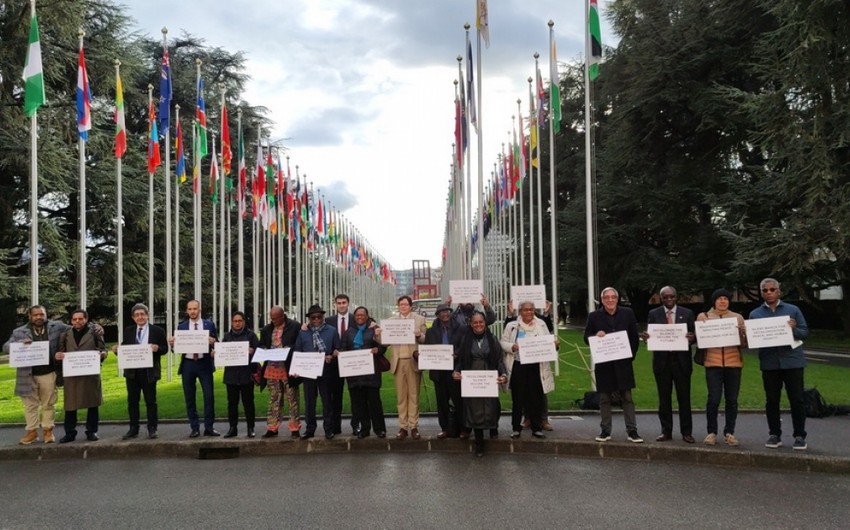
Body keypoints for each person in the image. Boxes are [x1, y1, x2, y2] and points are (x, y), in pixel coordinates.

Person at [749, 278, 810, 451]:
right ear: (761, 293)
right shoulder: (755, 314)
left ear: (779, 291)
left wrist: (794, 329)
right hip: (770, 363)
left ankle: (799, 436)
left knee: (797, 400)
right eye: (765, 290)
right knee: (772, 400)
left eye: (772, 289)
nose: (768, 292)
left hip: (792, 362)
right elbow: (753, 339)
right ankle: (774, 434)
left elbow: (804, 333)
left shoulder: (793, 310)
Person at [3, 306, 71, 445]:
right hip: (27, 374)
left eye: (41, 314)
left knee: (48, 404)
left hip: (48, 372)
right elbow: (5, 347)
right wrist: (18, 344)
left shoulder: (57, 326)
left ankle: (48, 430)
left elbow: (75, 327)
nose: (39, 317)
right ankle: (32, 432)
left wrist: (95, 327)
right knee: (30, 405)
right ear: (30, 316)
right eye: (35, 315)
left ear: (46, 315)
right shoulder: (19, 332)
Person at [583, 287, 643, 443]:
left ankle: (632, 431)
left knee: (627, 397)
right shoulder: (594, 316)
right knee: (604, 398)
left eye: (613, 297)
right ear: (602, 300)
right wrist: (595, 336)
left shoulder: (627, 313)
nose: (610, 300)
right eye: (606, 297)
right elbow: (586, 337)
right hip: (604, 364)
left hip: (623, 363)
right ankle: (605, 431)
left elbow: (634, 338)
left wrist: (630, 357)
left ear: (617, 299)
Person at [641, 286, 696, 443]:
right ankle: (666, 431)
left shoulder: (687, 313)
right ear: (661, 298)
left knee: (684, 399)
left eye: (672, 296)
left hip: (682, 363)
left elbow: (694, 335)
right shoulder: (654, 313)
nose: (669, 299)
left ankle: (686, 432)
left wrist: (692, 337)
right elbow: (650, 335)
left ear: (676, 297)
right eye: (665, 297)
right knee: (664, 399)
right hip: (662, 363)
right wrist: (647, 337)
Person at [452, 312, 508, 457]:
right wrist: (456, 372)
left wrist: (503, 374)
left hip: (488, 376)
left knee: (491, 406)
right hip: (472, 379)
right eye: (475, 322)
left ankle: (492, 428)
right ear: (471, 324)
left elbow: (499, 361)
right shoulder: (466, 340)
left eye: (481, 322)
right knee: (475, 409)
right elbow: (460, 361)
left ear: (485, 323)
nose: (478, 325)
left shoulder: (492, 339)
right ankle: (479, 443)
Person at [698, 288, 747, 446]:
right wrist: (701, 331)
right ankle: (711, 432)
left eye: (726, 298)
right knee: (713, 399)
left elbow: (745, 344)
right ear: (714, 301)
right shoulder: (703, 317)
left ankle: (729, 432)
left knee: (732, 400)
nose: (723, 301)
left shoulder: (738, 318)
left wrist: (743, 333)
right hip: (713, 364)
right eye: (719, 298)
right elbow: (699, 342)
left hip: (733, 364)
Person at [501, 301, 556, 440]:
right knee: (518, 398)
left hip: (536, 365)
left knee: (536, 398)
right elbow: (502, 342)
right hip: (518, 365)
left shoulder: (541, 324)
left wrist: (554, 344)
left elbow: (548, 341)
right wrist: (513, 347)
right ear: (520, 311)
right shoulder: (512, 326)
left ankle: (536, 428)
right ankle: (516, 428)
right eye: (525, 310)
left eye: (531, 310)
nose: (529, 312)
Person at [115, 303, 168, 440]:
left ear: (147, 315)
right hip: (132, 373)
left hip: (149, 372)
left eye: (142, 314)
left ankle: (152, 428)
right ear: (133, 318)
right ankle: (133, 429)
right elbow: (125, 349)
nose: (140, 317)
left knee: (151, 401)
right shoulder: (129, 331)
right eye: (137, 315)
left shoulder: (157, 331)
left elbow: (165, 349)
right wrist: (117, 350)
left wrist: (158, 348)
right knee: (132, 401)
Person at [168, 299, 219, 438]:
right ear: (186, 311)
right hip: (188, 364)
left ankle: (209, 427)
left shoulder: (209, 325)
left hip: (204, 363)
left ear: (199, 309)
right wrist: (172, 344)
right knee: (190, 397)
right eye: (190, 309)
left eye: (195, 309)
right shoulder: (182, 327)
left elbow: (216, 345)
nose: (192, 311)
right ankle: (194, 427)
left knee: (209, 397)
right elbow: (176, 349)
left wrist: (213, 343)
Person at [55, 309, 107, 443]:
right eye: (74, 319)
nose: (77, 321)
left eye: (80, 318)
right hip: (71, 375)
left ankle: (92, 431)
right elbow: (60, 352)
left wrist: (102, 355)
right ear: (71, 321)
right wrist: (58, 356)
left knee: (92, 404)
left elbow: (103, 349)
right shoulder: (65, 334)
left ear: (86, 319)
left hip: (90, 374)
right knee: (70, 405)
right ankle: (70, 433)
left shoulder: (95, 332)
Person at [382, 295, 427, 440]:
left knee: (414, 395)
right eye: (401, 304)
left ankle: (414, 426)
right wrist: (377, 335)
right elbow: (384, 342)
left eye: (405, 304)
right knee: (401, 396)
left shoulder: (419, 320)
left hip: (412, 360)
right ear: (398, 306)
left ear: (410, 306)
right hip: (398, 361)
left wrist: (419, 335)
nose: (403, 307)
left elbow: (426, 339)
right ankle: (403, 426)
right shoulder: (390, 322)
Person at [293, 304, 341, 440]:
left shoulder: (331, 331)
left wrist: (331, 356)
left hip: (326, 371)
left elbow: (337, 348)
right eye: (313, 317)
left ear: (322, 317)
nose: (316, 320)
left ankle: (328, 429)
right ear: (309, 319)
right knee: (309, 402)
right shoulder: (303, 332)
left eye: (318, 317)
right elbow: (298, 351)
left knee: (327, 401)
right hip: (308, 372)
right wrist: (297, 368)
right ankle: (310, 429)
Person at [340, 306, 387, 439]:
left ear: (367, 316)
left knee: (375, 403)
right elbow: (343, 348)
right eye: (357, 315)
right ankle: (365, 429)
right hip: (354, 374)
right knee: (359, 404)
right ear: (354, 317)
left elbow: (383, 345)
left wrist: (378, 350)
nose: (360, 317)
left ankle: (379, 429)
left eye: (362, 315)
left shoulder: (374, 329)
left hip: (371, 373)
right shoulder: (348, 332)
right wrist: (340, 353)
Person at [258, 306, 301, 438]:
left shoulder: (295, 326)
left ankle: (294, 428)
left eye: (276, 318)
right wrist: (264, 350)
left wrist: (288, 349)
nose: (274, 321)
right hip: (272, 369)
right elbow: (261, 345)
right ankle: (272, 428)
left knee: (292, 399)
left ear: (283, 316)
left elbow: (299, 344)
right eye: (272, 318)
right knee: (274, 400)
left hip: (288, 369)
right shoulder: (267, 329)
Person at [423, 303, 464, 439]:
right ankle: (445, 428)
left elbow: (463, 346)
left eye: (447, 311)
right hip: (439, 372)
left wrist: (456, 354)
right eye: (441, 312)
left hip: (455, 370)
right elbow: (428, 349)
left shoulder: (460, 329)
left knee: (458, 401)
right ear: (438, 315)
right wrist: (420, 355)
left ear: (450, 313)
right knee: (442, 402)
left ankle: (463, 429)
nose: (445, 314)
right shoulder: (431, 331)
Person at [220, 311, 260, 438]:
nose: (237, 323)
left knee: (248, 403)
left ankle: (250, 427)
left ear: (244, 321)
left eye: (239, 321)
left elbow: (259, 352)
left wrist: (252, 352)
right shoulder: (226, 336)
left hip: (246, 375)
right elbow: (222, 353)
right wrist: (216, 354)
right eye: (235, 321)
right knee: (232, 404)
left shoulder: (251, 335)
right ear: (232, 322)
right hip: (231, 376)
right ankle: (233, 428)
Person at [325, 294, 355, 436]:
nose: (342, 305)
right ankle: (335, 426)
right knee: (335, 397)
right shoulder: (328, 321)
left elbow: (369, 326)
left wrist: (374, 324)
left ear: (348, 303)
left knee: (356, 395)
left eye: (344, 302)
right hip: (334, 364)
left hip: (352, 362)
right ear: (335, 305)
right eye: (339, 303)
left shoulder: (356, 318)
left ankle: (356, 425)